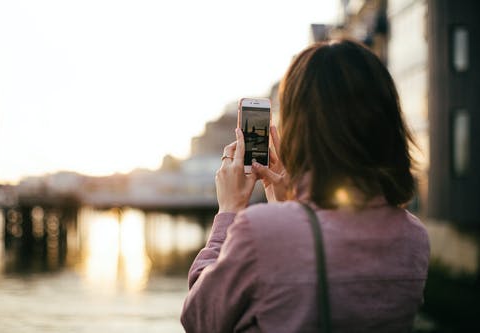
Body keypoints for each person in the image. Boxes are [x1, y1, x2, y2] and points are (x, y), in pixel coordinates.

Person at [180, 39, 430, 333]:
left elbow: (199, 318)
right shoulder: (414, 238)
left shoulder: (260, 231)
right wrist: (291, 207)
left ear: (300, 126)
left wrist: (230, 211)